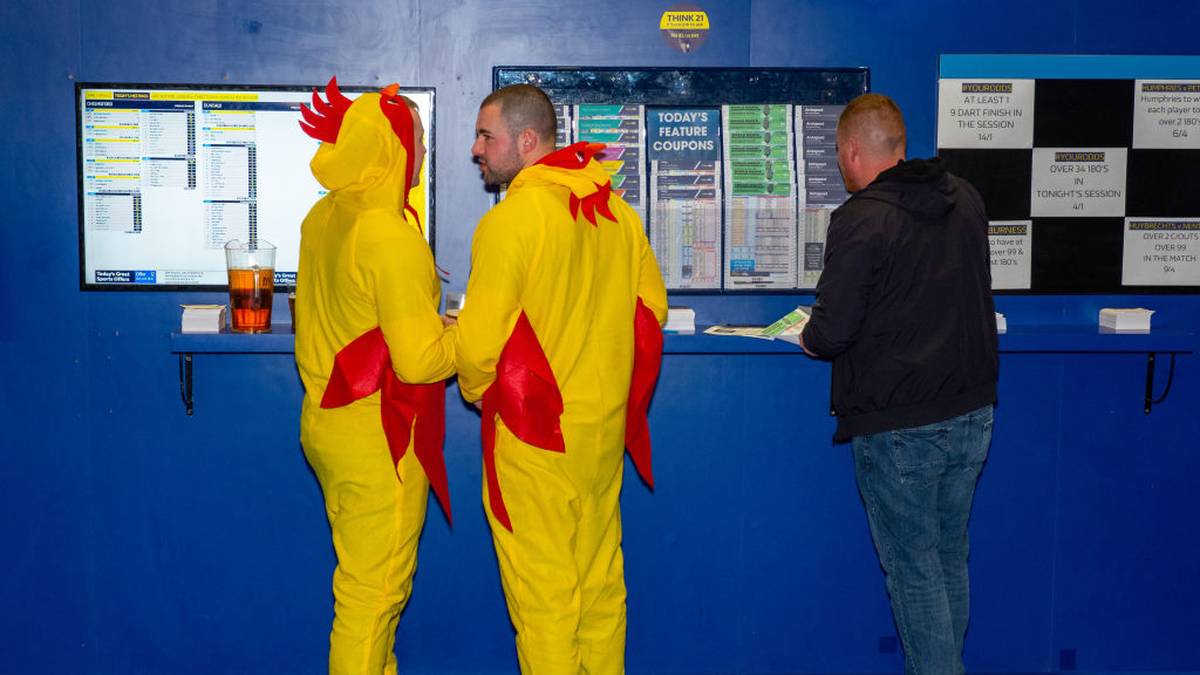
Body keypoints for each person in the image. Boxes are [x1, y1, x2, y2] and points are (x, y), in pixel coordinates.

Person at [451, 83, 668, 675]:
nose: (476, 149)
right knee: (600, 593)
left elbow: (474, 349)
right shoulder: (618, 214)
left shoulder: (510, 222)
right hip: (598, 441)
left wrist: (478, 389)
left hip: (533, 442)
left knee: (545, 603)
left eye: (486, 136)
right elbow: (652, 311)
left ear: (526, 141)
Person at [798, 93, 999, 675]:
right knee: (947, 559)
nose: (839, 165)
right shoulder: (966, 199)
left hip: (901, 427)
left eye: (839, 155)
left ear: (854, 151)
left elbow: (831, 332)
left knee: (914, 574)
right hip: (972, 411)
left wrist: (807, 339)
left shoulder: (861, 219)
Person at [294, 77, 455, 675]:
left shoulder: (324, 214)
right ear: (394, 150)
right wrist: (471, 335)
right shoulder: (390, 236)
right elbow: (418, 361)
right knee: (373, 595)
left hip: (326, 424)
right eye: (414, 139)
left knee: (363, 584)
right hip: (379, 438)